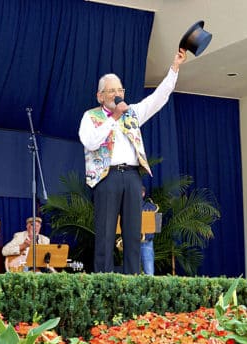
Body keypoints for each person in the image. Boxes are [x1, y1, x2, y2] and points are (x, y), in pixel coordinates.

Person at [79, 48, 186, 274]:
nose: (116, 94)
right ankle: (103, 279)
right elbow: (90, 142)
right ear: (100, 96)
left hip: (132, 176)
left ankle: (132, 279)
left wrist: (174, 68)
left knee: (133, 233)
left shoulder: (133, 113)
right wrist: (114, 117)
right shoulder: (91, 117)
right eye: (111, 91)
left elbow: (158, 99)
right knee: (106, 233)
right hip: (106, 177)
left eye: (119, 90)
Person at [141, 186, 159, 275]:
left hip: (146, 242)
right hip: (131, 243)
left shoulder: (151, 207)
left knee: (149, 273)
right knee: (131, 274)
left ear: (143, 194)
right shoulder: (127, 206)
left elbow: (157, 226)